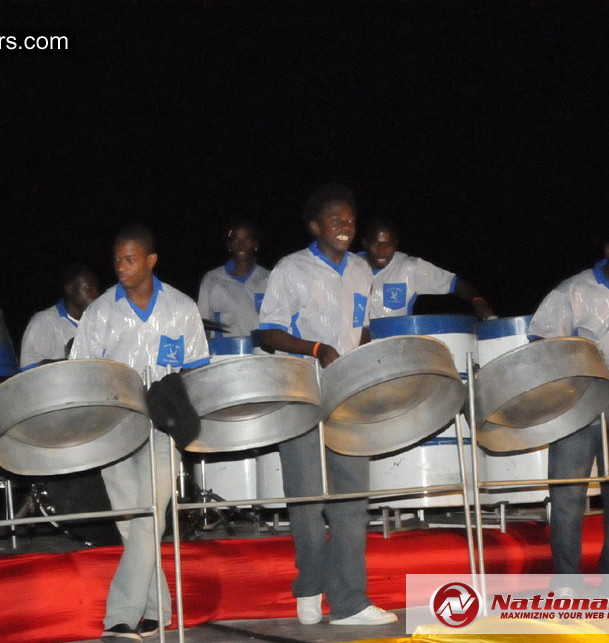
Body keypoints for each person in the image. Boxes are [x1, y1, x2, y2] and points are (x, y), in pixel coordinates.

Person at [258, 183, 397, 627]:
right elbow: (269, 332)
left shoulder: (361, 271)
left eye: (351, 219)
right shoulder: (290, 269)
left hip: (348, 395)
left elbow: (364, 329)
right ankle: (310, 586)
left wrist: (373, 358)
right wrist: (315, 347)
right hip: (302, 391)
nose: (346, 226)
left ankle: (350, 601)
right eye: (336, 219)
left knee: (352, 499)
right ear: (315, 226)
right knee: (307, 498)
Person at [70, 224, 209, 643]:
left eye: (129, 259)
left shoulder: (182, 307)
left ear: (151, 260)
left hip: (163, 426)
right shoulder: (100, 311)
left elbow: (198, 370)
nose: (120, 267)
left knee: (150, 515)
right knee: (132, 523)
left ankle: (120, 617)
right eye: (116, 259)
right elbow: (83, 369)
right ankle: (160, 611)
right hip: (115, 426)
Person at [529, 221, 609, 575]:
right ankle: (568, 582)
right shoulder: (572, 291)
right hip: (579, 408)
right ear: (607, 252)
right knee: (568, 498)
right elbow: (542, 342)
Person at [359, 217, 493, 319]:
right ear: (365, 243)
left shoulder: (410, 267)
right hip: (357, 345)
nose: (382, 250)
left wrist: (477, 300)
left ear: (395, 244)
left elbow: (454, 283)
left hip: (396, 343)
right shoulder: (350, 266)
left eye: (387, 245)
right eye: (376, 244)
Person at [196, 219, 270, 338]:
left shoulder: (269, 278)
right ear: (229, 245)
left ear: (256, 244)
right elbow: (202, 324)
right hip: (224, 353)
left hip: (260, 352)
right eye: (235, 240)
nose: (241, 245)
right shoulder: (212, 279)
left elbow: (278, 322)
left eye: (247, 239)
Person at [20, 263, 99, 369]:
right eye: (89, 288)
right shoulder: (44, 322)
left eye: (96, 288)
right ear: (70, 289)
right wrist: (76, 363)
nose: (96, 294)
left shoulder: (98, 322)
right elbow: (28, 368)